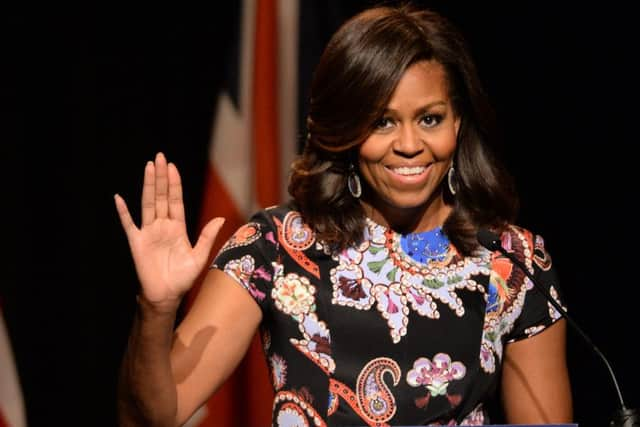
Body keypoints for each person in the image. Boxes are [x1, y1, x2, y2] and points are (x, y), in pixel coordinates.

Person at [114, 4, 573, 426]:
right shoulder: (276, 247)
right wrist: (157, 309)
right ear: (346, 131)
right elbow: (151, 417)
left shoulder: (512, 262)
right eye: (382, 121)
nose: (410, 144)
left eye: (429, 119)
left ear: (458, 123)